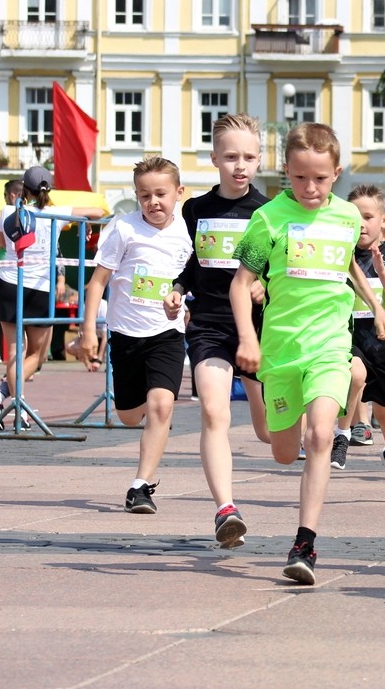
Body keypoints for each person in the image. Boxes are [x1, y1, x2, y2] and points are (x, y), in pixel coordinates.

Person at [229, 123, 385, 585]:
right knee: (283, 452)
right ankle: (265, 399)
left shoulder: (345, 218)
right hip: (280, 350)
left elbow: (348, 267)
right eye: (300, 178)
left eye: (320, 178)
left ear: (336, 173)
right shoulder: (269, 220)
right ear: (287, 173)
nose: (310, 188)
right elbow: (240, 285)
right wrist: (247, 338)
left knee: (321, 436)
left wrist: (377, 306)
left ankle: (305, 543)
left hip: (329, 345)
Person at [162, 114, 270, 548]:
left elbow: (281, 266)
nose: (239, 165)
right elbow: (191, 263)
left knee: (269, 434)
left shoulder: (269, 211)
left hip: (260, 330)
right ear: (214, 159)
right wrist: (177, 288)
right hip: (208, 325)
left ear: (260, 161)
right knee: (213, 412)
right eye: (230, 157)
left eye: (248, 157)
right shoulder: (196, 210)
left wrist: (267, 283)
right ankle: (226, 509)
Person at [80, 158, 192, 513]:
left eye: (161, 194)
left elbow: (192, 278)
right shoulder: (124, 228)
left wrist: (183, 299)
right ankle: (151, 415)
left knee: (161, 405)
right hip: (126, 334)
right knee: (129, 415)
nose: (153, 202)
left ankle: (140, 486)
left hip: (166, 333)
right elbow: (97, 283)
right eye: (145, 195)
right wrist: (87, 331)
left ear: (179, 193)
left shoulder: (187, 233)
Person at [0, 166, 105, 422]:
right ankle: (18, 409)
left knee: (17, 352)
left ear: (23, 189)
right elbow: (98, 212)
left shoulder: (9, 210)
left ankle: (5, 399)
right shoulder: (55, 213)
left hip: (9, 283)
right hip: (39, 287)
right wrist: (85, 223)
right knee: (36, 357)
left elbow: (2, 244)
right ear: (49, 189)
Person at [328, 184, 385, 501]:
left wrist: (381, 271)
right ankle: (342, 435)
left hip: (384, 338)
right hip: (346, 333)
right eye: (355, 216)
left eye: (368, 216)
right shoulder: (340, 252)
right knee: (354, 374)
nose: (361, 224)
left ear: (384, 220)